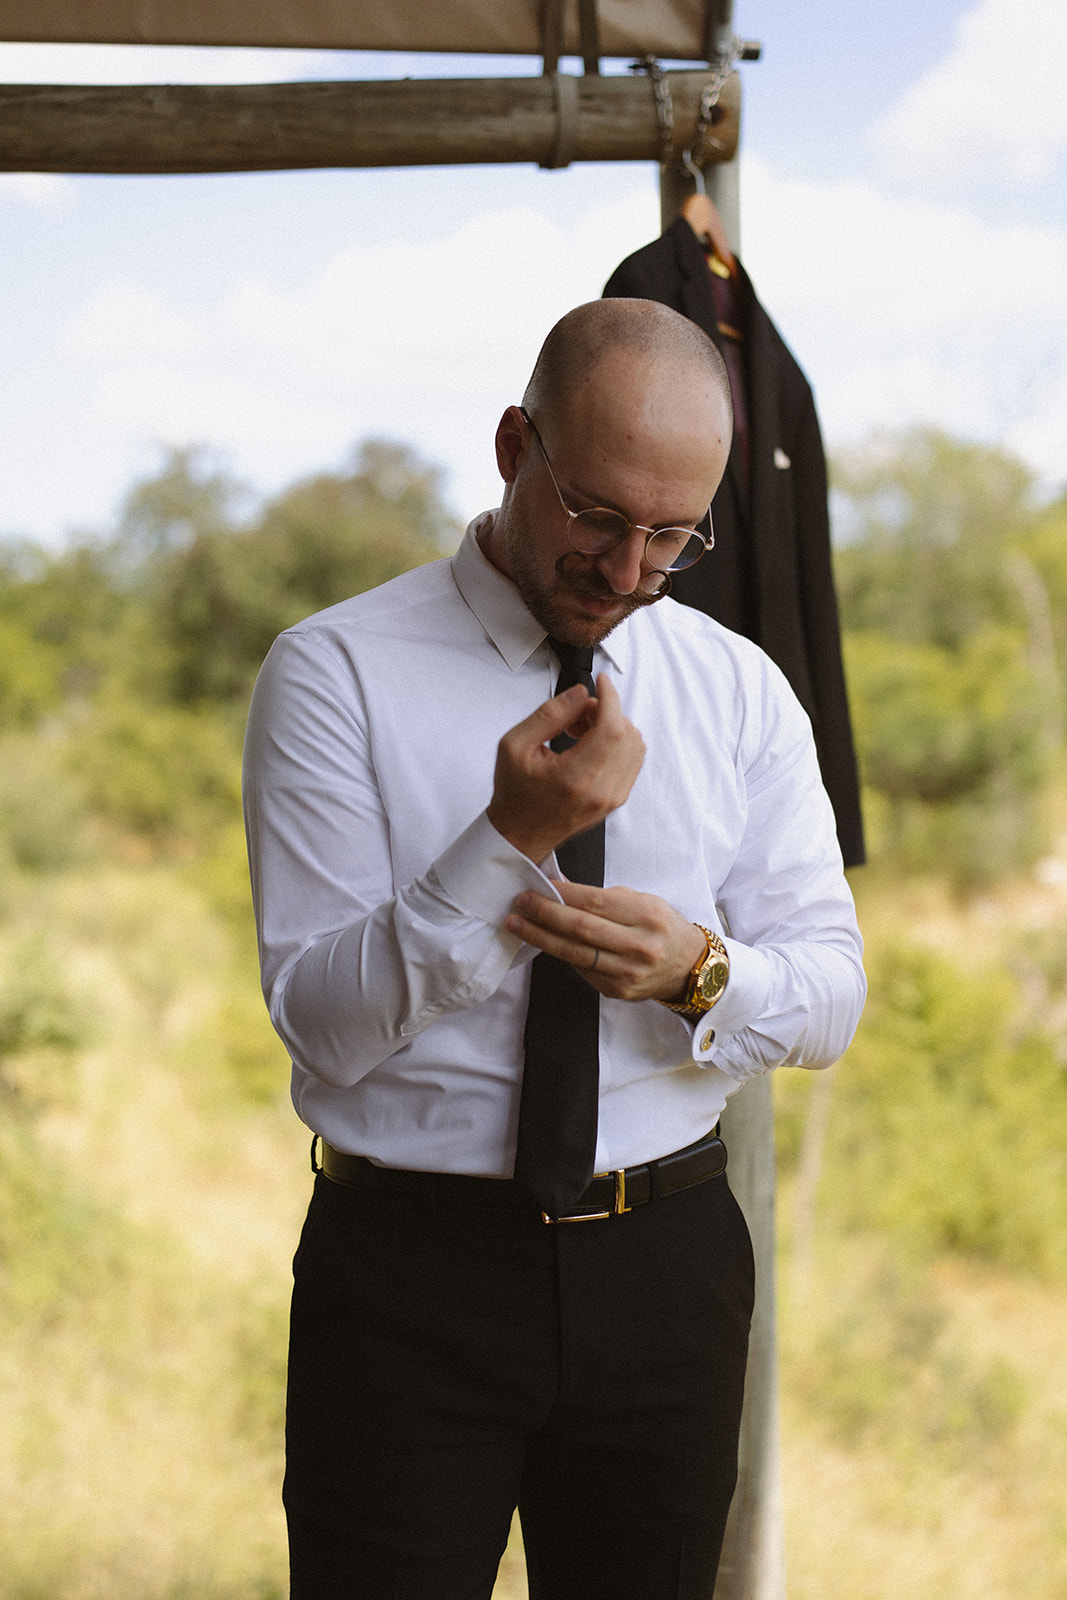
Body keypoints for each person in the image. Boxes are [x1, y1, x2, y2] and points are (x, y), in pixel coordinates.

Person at [242, 297, 865, 1600]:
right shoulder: (333, 673)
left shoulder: (739, 689)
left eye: (671, 536)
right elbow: (323, 1024)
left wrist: (705, 970)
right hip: (409, 1276)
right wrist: (507, 839)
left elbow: (831, 994)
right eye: (596, 514)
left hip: (669, 1263)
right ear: (515, 444)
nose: (629, 568)